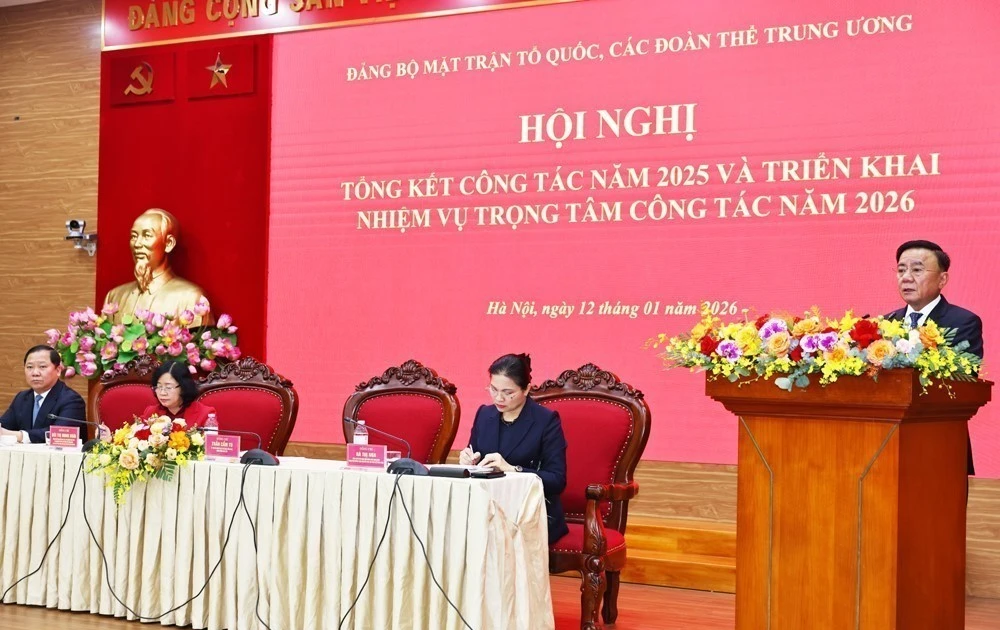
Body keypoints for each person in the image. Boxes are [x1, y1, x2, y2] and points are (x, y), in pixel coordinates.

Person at [885, 239, 984, 475]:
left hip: (940, 439)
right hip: (888, 443)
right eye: (901, 270)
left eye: (917, 270)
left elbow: (964, 380)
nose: (906, 277)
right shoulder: (885, 323)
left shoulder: (963, 322)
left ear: (942, 279)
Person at [460, 353, 569, 544]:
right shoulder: (484, 415)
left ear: (526, 389)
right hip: (487, 510)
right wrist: (468, 461)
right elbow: (475, 454)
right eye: (493, 389)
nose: (499, 398)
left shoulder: (546, 421)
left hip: (530, 514)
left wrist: (512, 469)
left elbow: (557, 480)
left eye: (508, 392)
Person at [103, 208, 213, 326]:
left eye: (147, 235)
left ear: (169, 243)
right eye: (134, 236)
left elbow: (198, 342)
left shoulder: (191, 298)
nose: (137, 244)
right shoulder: (114, 296)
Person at [0, 345, 86, 443]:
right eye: (29, 367)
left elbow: (60, 435)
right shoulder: (22, 398)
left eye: (42, 367)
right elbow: (4, 425)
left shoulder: (72, 400)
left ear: (58, 370)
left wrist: (19, 435)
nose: (35, 373)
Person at [141, 361, 216, 428]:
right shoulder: (150, 412)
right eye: (159, 387)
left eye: (168, 387)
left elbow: (210, 442)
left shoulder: (205, 414)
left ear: (183, 387)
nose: (162, 393)